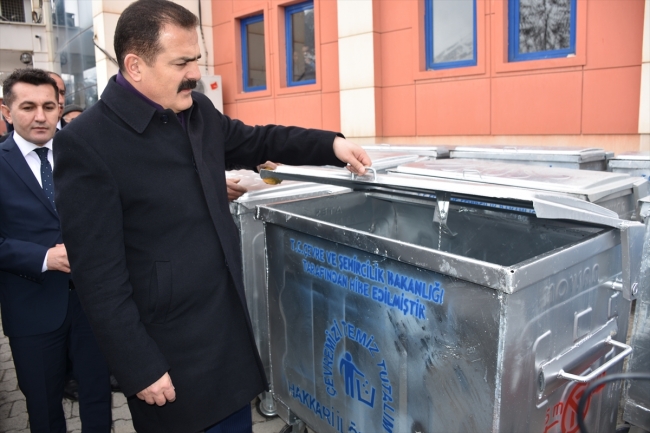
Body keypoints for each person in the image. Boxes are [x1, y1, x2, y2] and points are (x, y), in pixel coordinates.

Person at [52, 1, 371, 432]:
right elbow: (98, 277)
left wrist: (331, 146)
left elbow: (259, 140)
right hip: (168, 353)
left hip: (225, 330)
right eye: (181, 62)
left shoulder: (196, 111)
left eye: (197, 59)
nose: (195, 73)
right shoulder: (87, 143)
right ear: (135, 66)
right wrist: (138, 365)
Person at [0, 68, 112, 433]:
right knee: (44, 407)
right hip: (31, 309)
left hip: (92, 304)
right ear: (6, 110)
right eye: (28, 106)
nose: (40, 116)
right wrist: (44, 258)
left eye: (49, 106)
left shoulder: (81, 154)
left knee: (98, 397)